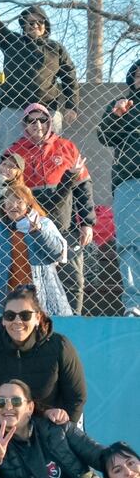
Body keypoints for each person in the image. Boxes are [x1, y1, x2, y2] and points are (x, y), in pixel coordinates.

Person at [6, 102, 95, 314]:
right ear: (24, 124)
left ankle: (73, 320)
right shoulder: (14, 151)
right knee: (34, 277)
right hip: (31, 226)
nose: (37, 124)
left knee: (73, 277)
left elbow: (83, 186)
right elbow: (7, 189)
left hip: (66, 223)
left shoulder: (67, 147)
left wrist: (87, 222)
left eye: (42, 119)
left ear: (50, 122)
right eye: (31, 120)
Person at [0, 0, 79, 155]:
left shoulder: (55, 48)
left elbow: (69, 76)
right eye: (29, 22)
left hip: (47, 111)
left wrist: (72, 105)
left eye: (39, 22)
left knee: (50, 154)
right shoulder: (12, 42)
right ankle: (4, 182)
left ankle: (50, 182)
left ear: (45, 25)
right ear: (23, 25)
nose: (34, 25)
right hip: (14, 108)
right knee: (7, 154)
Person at [0, 285, 87, 424]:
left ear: (37, 317)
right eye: (10, 316)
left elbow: (76, 398)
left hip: (52, 427)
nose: (17, 321)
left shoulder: (60, 346)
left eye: (25, 315)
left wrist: (61, 434)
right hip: (7, 429)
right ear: (3, 320)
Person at [0, 181, 72, 316]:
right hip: (2, 300)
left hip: (40, 296)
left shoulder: (44, 223)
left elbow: (57, 252)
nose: (13, 205)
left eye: (19, 201)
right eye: (9, 202)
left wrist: (38, 232)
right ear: (3, 206)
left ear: (28, 205)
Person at [98, 60, 140, 316]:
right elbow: (104, 136)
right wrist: (116, 116)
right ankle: (134, 303)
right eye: (138, 75)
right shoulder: (123, 105)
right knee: (128, 243)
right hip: (128, 180)